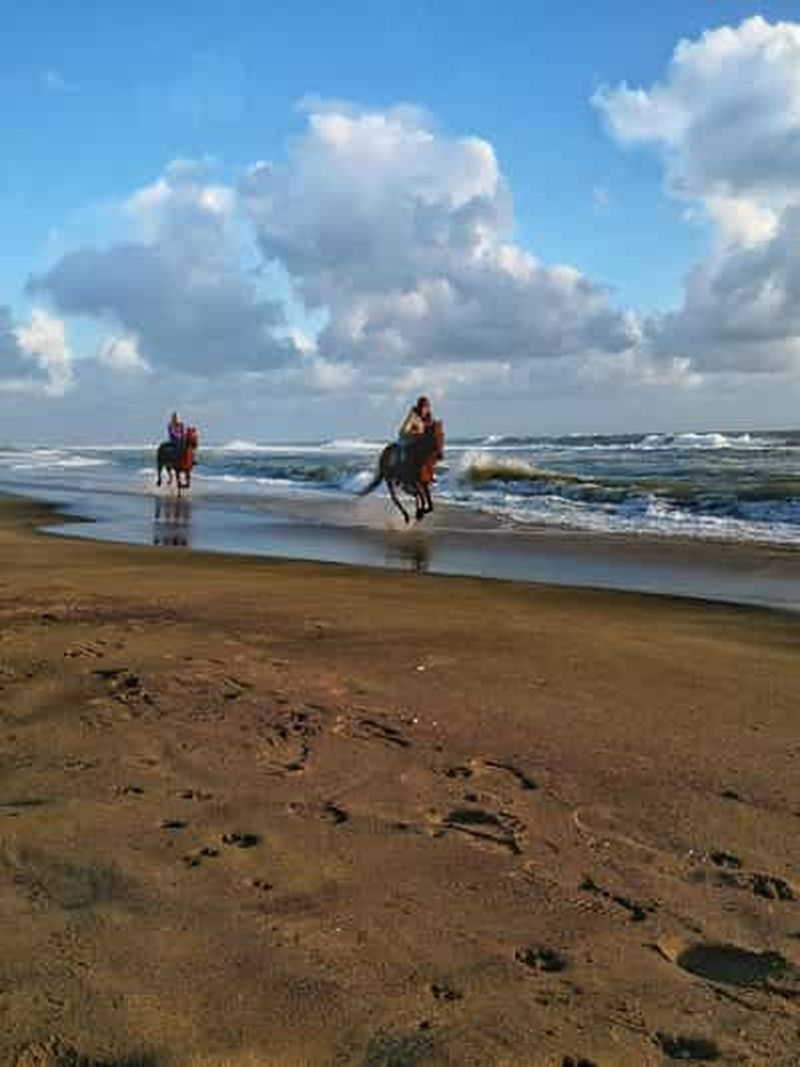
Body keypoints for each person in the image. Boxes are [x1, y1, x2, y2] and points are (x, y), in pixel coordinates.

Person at [397, 396, 433, 473]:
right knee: (403, 454)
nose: (425, 410)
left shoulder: (428, 419)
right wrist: (417, 434)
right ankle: (401, 471)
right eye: (423, 407)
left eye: (427, 407)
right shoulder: (413, 417)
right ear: (419, 407)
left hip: (419, 442)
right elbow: (403, 431)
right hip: (407, 439)